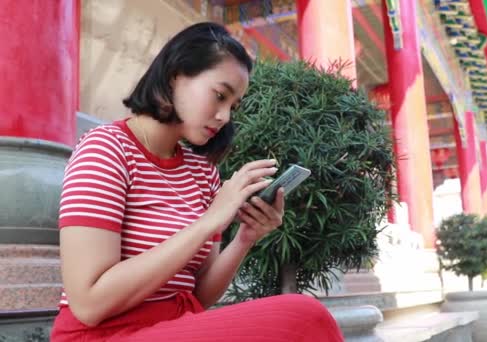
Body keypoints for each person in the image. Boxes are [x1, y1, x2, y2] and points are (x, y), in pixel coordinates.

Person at [50, 22, 344, 341]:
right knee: (302, 317)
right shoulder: (106, 149)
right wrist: (208, 222)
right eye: (219, 95)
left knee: (303, 316)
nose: (225, 116)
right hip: (105, 334)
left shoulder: (201, 172)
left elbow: (200, 294)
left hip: (175, 326)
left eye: (233, 106)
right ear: (176, 74)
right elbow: (89, 304)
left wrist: (245, 237)